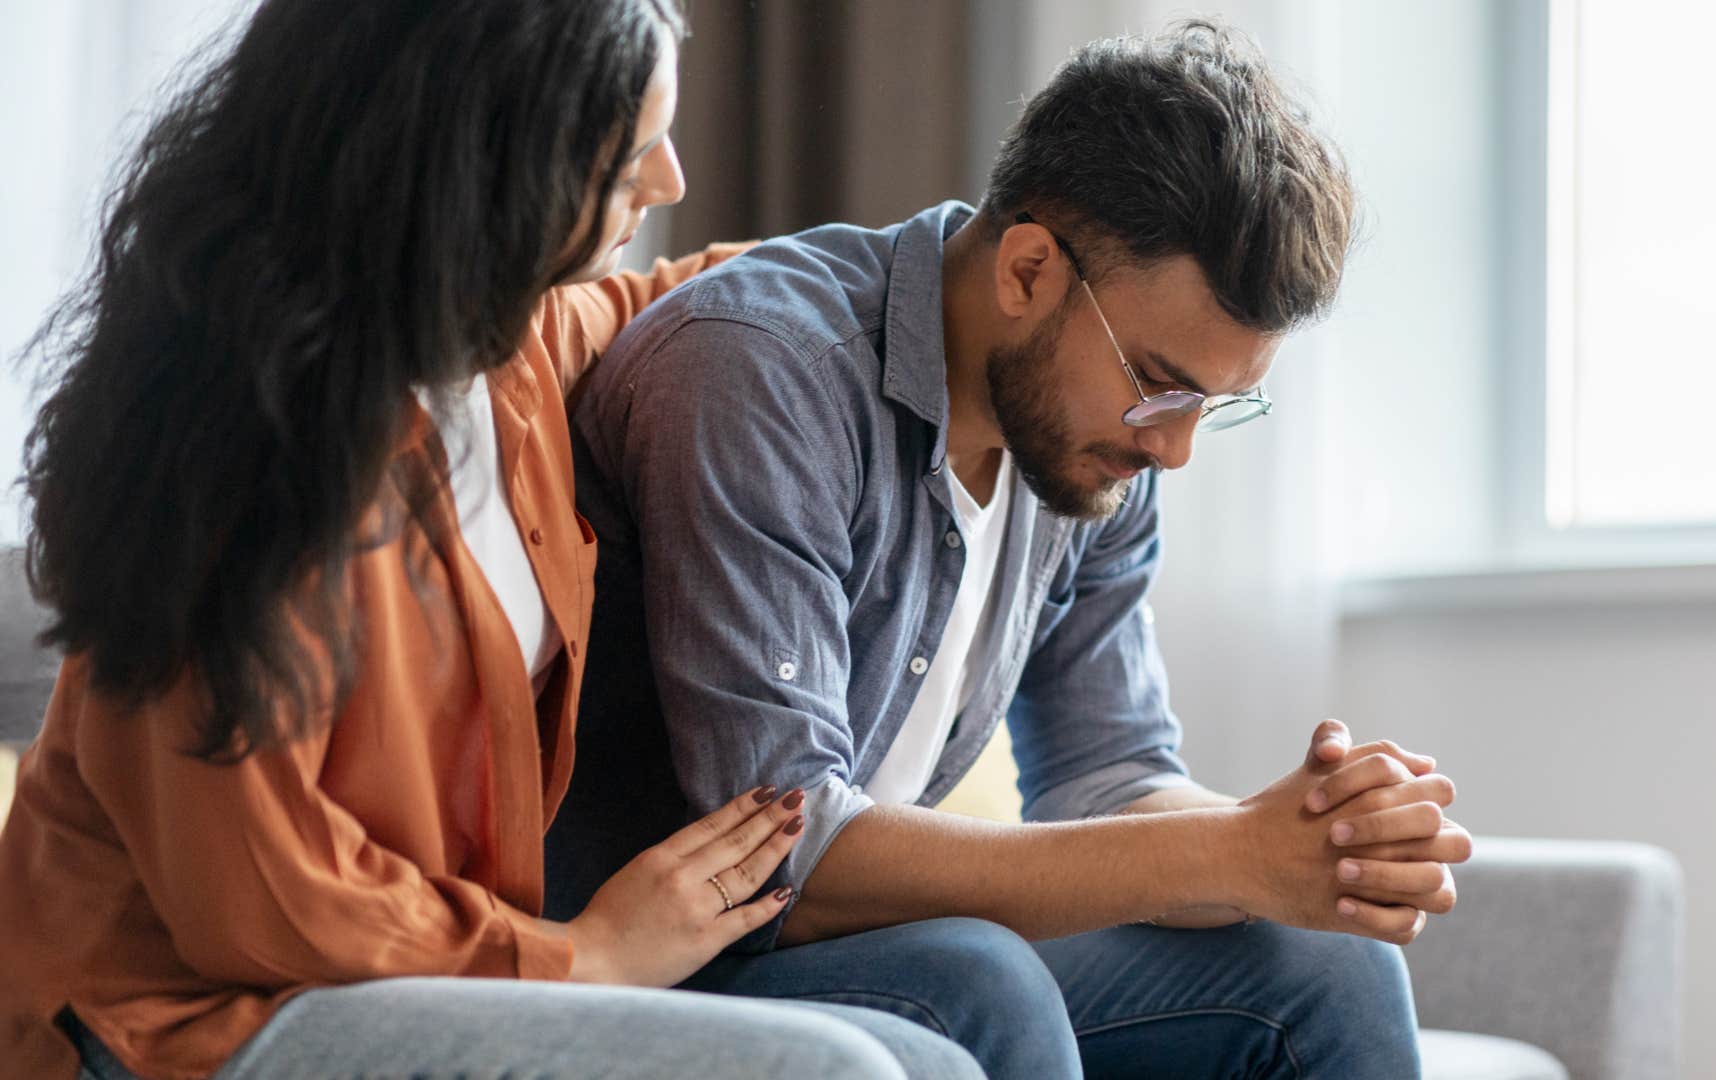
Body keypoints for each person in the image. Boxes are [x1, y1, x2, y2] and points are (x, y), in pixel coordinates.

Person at [0, 2, 982, 1077]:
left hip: (414, 978)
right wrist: (584, 957)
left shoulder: (503, 350)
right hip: (180, 1021)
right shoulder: (232, 447)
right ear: (481, 153)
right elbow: (258, 895)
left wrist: (952, 287)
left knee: (945, 1037)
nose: (670, 181)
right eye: (627, 154)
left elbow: (711, 297)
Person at [550, 19, 1474, 1079]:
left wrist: (1308, 846)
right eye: (1161, 386)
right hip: (674, 956)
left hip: (881, 950)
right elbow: (784, 851)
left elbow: (1110, 772)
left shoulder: (1086, 450)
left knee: (1330, 968)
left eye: (1213, 407)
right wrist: (1221, 854)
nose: (1173, 448)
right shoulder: (763, 372)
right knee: (979, 977)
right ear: (1029, 270)